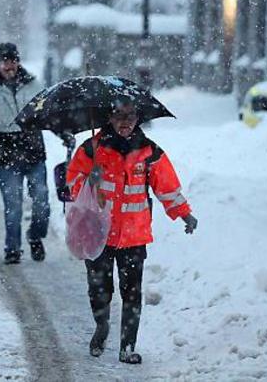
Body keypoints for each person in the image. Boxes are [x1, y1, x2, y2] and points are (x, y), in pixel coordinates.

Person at [66, 100, 197, 365]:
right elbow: (72, 181)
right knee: (99, 289)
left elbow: (166, 187)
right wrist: (87, 180)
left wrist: (183, 212)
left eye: (131, 116)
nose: (125, 121)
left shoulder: (149, 151)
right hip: (97, 233)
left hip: (134, 236)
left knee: (132, 293)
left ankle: (127, 346)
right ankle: (101, 326)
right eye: (119, 115)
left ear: (139, 118)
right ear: (109, 117)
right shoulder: (93, 148)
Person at [0, 42, 74, 265]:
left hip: (33, 150)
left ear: (18, 62)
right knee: (13, 205)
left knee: (42, 202)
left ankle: (35, 236)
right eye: (5, 61)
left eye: (13, 61)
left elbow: (49, 115)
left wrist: (63, 133)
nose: (9, 65)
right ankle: (12, 248)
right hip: (6, 153)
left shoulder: (33, 85)